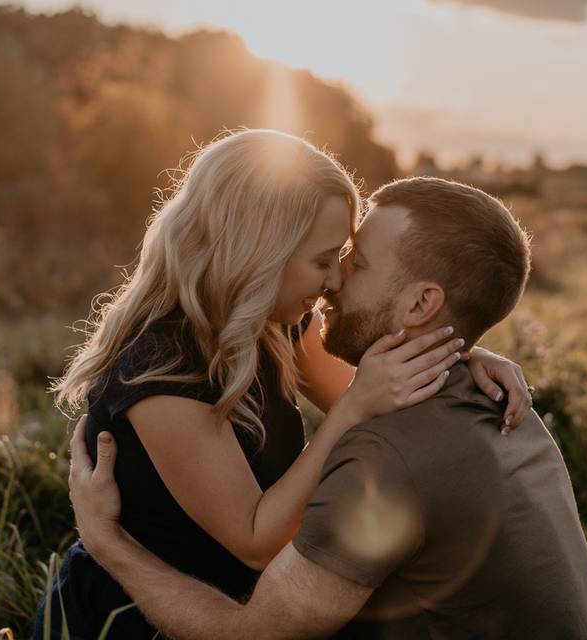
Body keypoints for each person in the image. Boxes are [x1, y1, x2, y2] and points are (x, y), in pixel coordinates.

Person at [35, 132, 533, 638]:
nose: (336, 280)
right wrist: (352, 410)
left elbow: (385, 395)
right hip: (139, 612)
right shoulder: (161, 369)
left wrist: (460, 350)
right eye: (323, 260)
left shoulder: (276, 326)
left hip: (242, 607)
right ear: (258, 253)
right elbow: (255, 538)